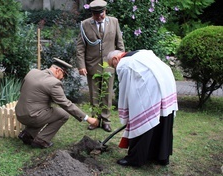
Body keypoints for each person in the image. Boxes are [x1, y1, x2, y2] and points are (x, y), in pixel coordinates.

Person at [106, 49, 178, 166]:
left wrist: (126, 111)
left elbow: (124, 91)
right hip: (166, 83)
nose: (115, 68)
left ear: (115, 59)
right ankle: (162, 157)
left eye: (112, 65)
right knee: (163, 118)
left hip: (152, 87)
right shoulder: (143, 53)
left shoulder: (123, 64)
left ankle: (135, 159)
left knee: (142, 119)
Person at [15, 58, 99, 149]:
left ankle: (27, 134)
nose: (63, 78)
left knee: (44, 112)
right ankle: (41, 140)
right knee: (63, 114)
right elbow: (66, 104)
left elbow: (22, 90)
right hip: (31, 116)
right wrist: (87, 118)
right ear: (58, 70)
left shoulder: (33, 72)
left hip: (19, 113)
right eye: (64, 74)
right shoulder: (54, 83)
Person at [76, 0, 125, 132]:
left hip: (109, 65)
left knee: (107, 94)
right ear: (92, 14)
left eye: (101, 14)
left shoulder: (114, 22)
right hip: (92, 65)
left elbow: (119, 44)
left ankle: (106, 121)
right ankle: (95, 120)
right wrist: (81, 65)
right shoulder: (85, 24)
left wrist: (121, 61)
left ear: (105, 11)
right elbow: (80, 47)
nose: (99, 17)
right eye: (96, 15)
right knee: (94, 94)